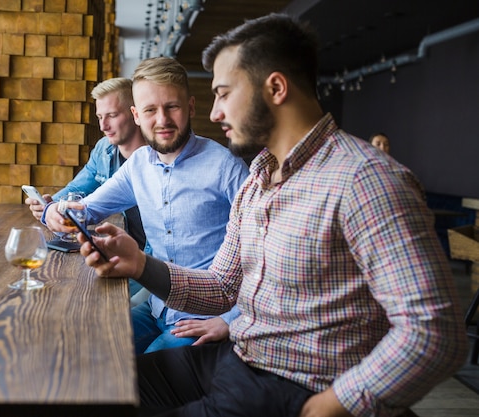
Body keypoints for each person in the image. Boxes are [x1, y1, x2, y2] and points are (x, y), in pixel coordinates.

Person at [78, 13, 468, 417]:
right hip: (242, 360)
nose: (213, 113)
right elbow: (221, 287)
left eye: (224, 93)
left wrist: (332, 405)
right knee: (97, 388)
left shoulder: (364, 180)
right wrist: (140, 264)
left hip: (298, 388)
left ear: (276, 88)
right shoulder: (258, 179)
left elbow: (434, 333)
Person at [42, 57, 250, 354]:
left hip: (204, 319)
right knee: (86, 345)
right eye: (151, 110)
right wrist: (53, 210)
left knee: (138, 375)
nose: (162, 120)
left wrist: (231, 321)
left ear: (190, 107)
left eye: (172, 107)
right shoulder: (138, 164)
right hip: (158, 309)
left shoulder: (226, 167)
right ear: (137, 115)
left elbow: (263, 258)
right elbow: (85, 209)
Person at [25, 77, 147, 250]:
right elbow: (75, 191)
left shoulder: (157, 158)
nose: (103, 126)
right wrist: (50, 207)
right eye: (99, 117)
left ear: (135, 114)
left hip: (156, 259)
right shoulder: (104, 150)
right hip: (126, 252)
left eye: (112, 115)